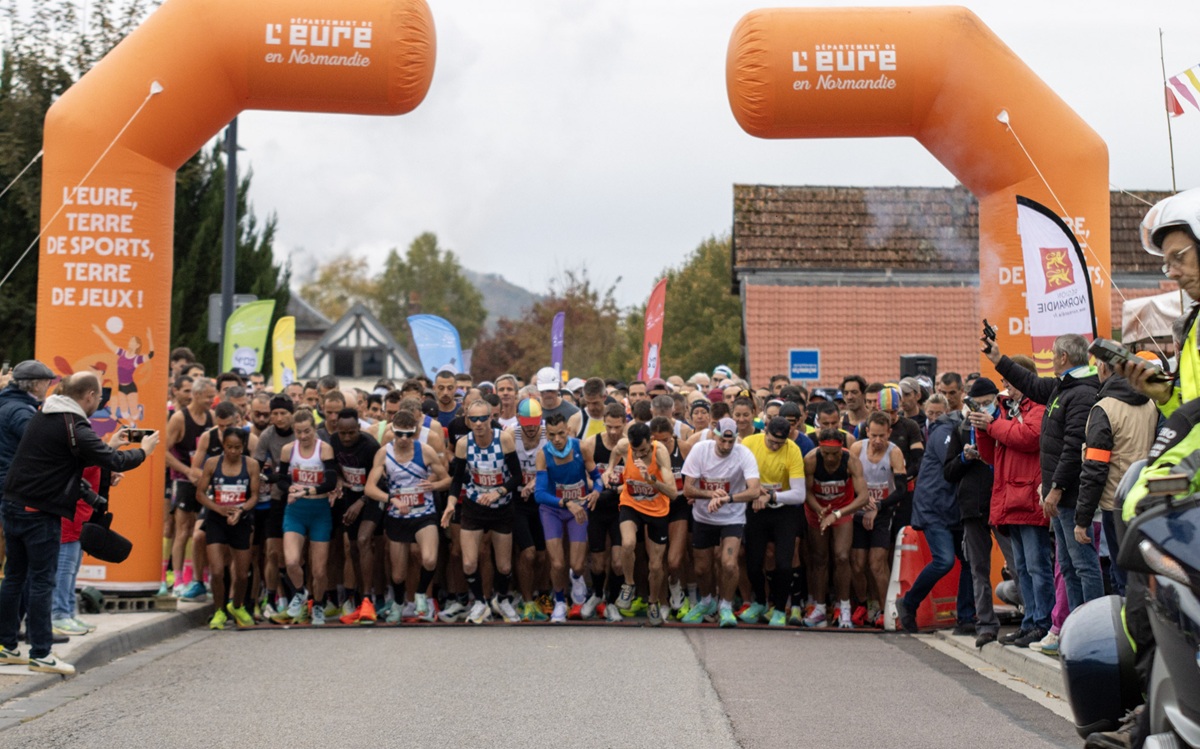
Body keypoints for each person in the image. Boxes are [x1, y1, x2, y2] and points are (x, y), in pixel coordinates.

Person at [0, 373, 158, 675]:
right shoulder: (72, 423)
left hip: (13, 503)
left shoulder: (45, 413)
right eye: (98, 398)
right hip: (39, 511)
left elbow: (66, 459)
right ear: (88, 396)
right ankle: (41, 653)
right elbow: (114, 461)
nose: (98, 403)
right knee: (42, 581)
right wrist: (145, 450)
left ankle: (6, 646)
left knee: (15, 577)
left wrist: (109, 444)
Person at [986, 333, 1104, 621]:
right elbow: (1031, 384)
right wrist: (999, 359)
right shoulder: (1063, 388)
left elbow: (1073, 446)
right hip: (1062, 497)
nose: (1050, 359)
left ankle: (1095, 625)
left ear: (1063, 357)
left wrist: (1057, 488)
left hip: (1073, 496)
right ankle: (1074, 626)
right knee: (1067, 565)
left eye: (1052, 354)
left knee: (1083, 566)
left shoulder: (1081, 393)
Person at [971, 355, 1054, 649]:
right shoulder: (1009, 410)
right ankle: (1030, 622)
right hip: (1012, 498)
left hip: (1029, 498)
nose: (1005, 388)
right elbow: (991, 456)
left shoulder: (1039, 407)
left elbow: (1028, 437)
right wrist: (983, 429)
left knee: (1037, 567)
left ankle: (1043, 623)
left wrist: (991, 425)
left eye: (1009, 382)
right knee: (1023, 568)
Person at [1074, 358, 1159, 599]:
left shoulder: (1104, 408)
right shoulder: (1150, 403)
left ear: (1103, 368)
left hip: (1115, 503)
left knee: (1122, 579)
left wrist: (1083, 518)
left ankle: (1127, 633)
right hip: (1145, 500)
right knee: (1139, 577)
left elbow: (1094, 467)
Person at [441, 399, 525, 624]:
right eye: (473, 419)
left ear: (491, 418)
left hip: (501, 506)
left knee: (504, 565)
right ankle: (479, 602)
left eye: (482, 418)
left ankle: (502, 599)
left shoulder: (504, 439)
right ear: (468, 420)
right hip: (473, 506)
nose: (478, 424)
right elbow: (457, 479)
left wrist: (499, 492)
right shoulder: (463, 444)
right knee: (469, 562)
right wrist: (450, 504)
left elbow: (518, 477)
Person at [895, 401, 975, 635]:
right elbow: (952, 462)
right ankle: (909, 603)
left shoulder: (959, 428)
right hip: (934, 507)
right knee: (944, 560)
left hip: (955, 508)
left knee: (970, 561)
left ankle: (966, 617)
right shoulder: (945, 430)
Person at [365, 409, 450, 624]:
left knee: (429, 558)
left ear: (415, 432)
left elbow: (447, 480)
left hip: (424, 513)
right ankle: (400, 603)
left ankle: (421, 593)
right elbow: (369, 488)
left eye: (408, 434)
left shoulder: (426, 451)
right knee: (398, 575)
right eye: (399, 434)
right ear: (392, 430)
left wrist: (434, 485)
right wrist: (391, 497)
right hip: (397, 517)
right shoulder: (384, 453)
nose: (403, 439)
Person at [943, 378, 1000, 647]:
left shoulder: (1006, 423)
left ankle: (1033, 620)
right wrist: (965, 457)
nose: (984, 408)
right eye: (979, 404)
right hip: (972, 506)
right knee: (978, 568)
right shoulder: (962, 429)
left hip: (1002, 503)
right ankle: (986, 624)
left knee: (1019, 564)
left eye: (989, 402)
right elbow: (949, 472)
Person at [604, 422, 678, 625]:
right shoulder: (624, 445)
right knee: (627, 543)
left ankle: (653, 602)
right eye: (635, 451)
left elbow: (673, 493)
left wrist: (651, 479)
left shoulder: (659, 452)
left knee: (655, 566)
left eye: (643, 450)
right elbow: (615, 454)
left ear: (651, 442)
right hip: (631, 503)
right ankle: (628, 585)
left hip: (657, 510)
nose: (638, 455)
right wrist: (610, 469)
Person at [271, 409, 339, 625]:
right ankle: (300, 592)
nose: (303, 436)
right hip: (296, 511)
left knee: (319, 570)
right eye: (298, 432)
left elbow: (330, 482)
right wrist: (291, 488)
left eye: (307, 431)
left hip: (319, 510)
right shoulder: (288, 450)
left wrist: (307, 491)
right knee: (291, 561)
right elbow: (281, 480)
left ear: (314, 429)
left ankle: (318, 604)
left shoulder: (324, 449)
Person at [739, 417, 806, 627]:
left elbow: (799, 494)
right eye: (771, 442)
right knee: (753, 562)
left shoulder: (792, 450)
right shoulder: (749, 444)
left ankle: (779, 608)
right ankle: (760, 601)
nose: (775, 446)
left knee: (784, 564)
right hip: (756, 507)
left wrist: (771, 496)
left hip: (782, 510)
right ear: (765, 432)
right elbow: (736, 477)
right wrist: (755, 493)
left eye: (780, 443)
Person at [533, 412, 597, 623]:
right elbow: (539, 493)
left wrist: (596, 490)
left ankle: (576, 578)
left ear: (568, 431)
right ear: (547, 435)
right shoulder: (543, 455)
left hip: (578, 508)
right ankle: (560, 602)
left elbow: (597, 478)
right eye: (552, 435)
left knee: (577, 565)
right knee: (558, 563)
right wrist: (564, 502)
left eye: (561, 433)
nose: (557, 439)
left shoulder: (582, 447)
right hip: (553, 509)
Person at [804, 427, 870, 628]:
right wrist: (819, 510)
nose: (831, 459)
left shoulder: (851, 461)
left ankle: (844, 609)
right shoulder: (811, 460)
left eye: (835, 454)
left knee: (842, 556)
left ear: (842, 449)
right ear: (820, 449)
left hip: (842, 508)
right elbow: (805, 492)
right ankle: (820, 608)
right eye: (826, 454)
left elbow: (864, 497)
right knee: (820, 558)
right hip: (817, 508)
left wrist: (837, 514)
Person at [194, 428, 260, 629]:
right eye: (229, 447)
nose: (233, 451)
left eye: (237, 448)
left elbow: (255, 496)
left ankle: (237, 606)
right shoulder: (213, 463)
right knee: (217, 570)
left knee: (241, 574)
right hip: (217, 520)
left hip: (240, 520)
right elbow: (200, 494)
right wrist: (219, 509)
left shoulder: (251, 465)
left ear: (244, 446)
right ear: (223, 445)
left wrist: (240, 511)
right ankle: (219, 611)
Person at [849, 412, 908, 629]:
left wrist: (878, 507)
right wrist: (860, 502)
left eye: (882, 436)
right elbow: (849, 481)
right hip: (859, 509)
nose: (877, 441)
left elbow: (901, 490)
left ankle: (886, 610)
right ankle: (864, 604)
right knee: (857, 563)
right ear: (866, 432)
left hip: (883, 511)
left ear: (889, 433)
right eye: (873, 435)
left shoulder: (894, 453)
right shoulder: (857, 449)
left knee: (877, 564)